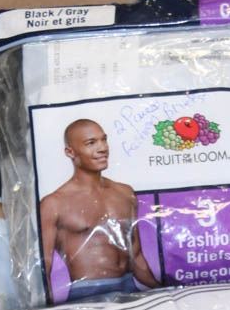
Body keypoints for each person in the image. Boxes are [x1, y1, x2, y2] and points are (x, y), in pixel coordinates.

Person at [39, 118, 158, 299]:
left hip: (129, 287)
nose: (103, 148)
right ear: (70, 152)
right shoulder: (54, 203)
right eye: (91, 143)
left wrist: (163, 290)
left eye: (104, 139)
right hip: (86, 295)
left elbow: (136, 256)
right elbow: (44, 268)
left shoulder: (125, 192)